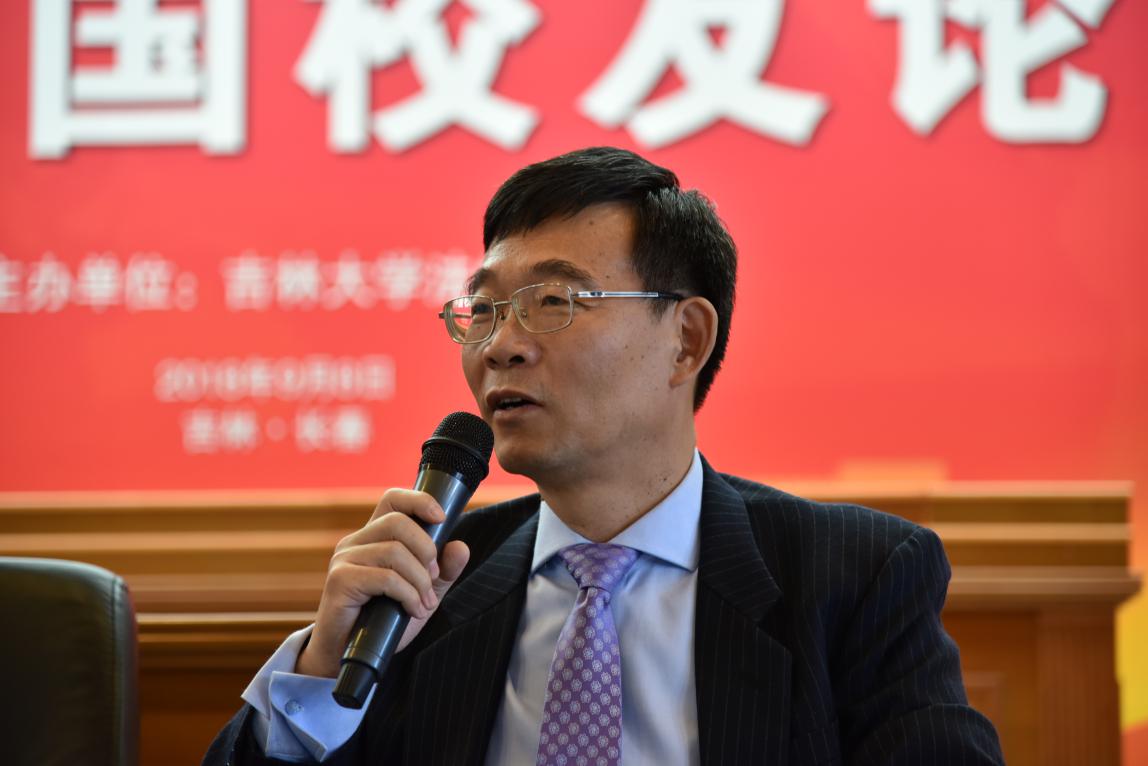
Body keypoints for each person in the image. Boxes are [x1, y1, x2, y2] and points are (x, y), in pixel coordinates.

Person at [204, 147, 1004, 765]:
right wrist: (322, 669)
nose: (501, 345)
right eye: (483, 309)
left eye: (553, 302)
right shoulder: (428, 585)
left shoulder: (852, 578)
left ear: (685, 340)